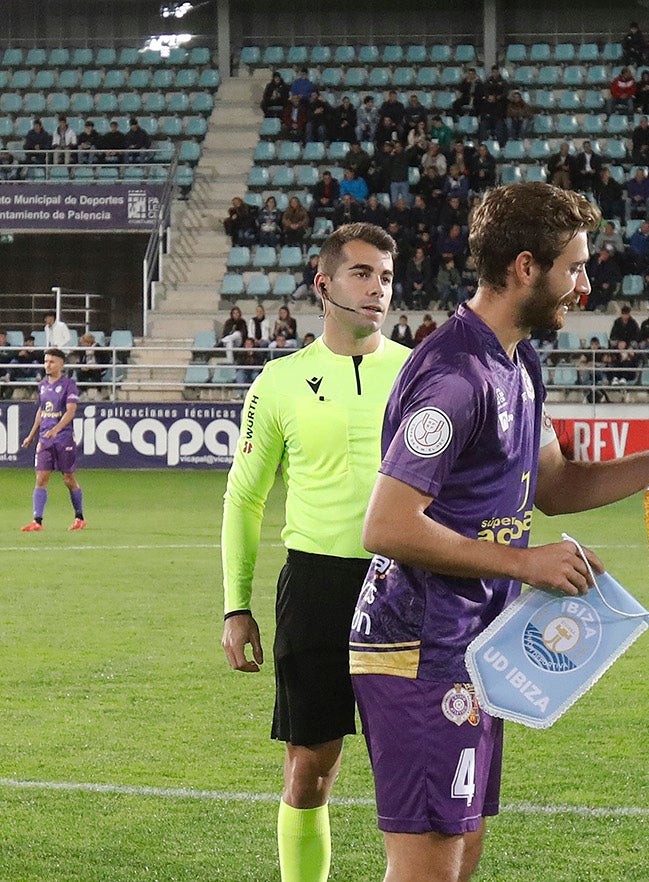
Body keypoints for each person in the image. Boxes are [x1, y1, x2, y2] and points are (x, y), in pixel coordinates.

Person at [346, 182, 649, 882]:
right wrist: (525, 564)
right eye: (574, 267)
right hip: (418, 645)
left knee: (462, 851)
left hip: (475, 643)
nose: (585, 283)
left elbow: (554, 485)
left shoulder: (518, 359)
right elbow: (387, 525)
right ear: (525, 267)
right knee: (427, 863)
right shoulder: (455, 376)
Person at [220, 223, 413, 882]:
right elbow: (244, 499)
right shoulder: (278, 382)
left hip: (409, 583)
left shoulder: (418, 371)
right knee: (309, 773)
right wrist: (234, 606)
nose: (376, 290)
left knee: (415, 773)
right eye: (362, 274)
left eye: (385, 277)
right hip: (316, 586)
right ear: (322, 282)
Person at [20, 349, 85, 531]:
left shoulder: (69, 385)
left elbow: (70, 411)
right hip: (45, 439)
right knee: (41, 478)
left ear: (61, 364)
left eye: (52, 361)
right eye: (46, 361)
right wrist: (32, 435)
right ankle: (37, 521)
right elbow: (41, 412)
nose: (48, 364)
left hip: (63, 438)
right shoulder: (42, 385)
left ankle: (79, 517)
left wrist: (56, 430)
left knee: (68, 479)